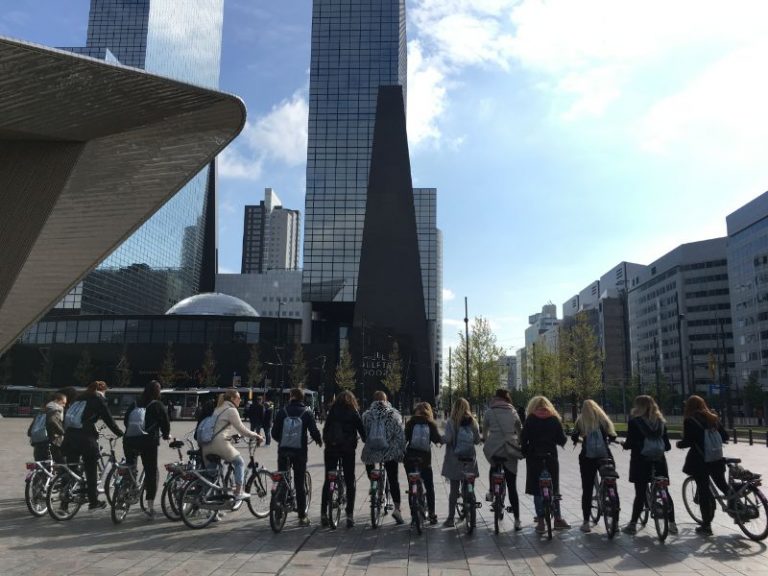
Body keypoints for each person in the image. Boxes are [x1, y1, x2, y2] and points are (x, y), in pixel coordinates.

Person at [61, 381, 124, 510]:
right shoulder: (98, 399)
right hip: (85, 439)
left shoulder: (79, 399)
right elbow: (108, 419)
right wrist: (120, 433)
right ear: (102, 391)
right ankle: (93, 501)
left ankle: (64, 503)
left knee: (71, 470)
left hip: (69, 437)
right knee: (91, 469)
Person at [621, 395, 678, 535]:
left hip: (641, 461)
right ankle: (672, 524)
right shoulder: (661, 422)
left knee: (640, 493)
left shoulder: (635, 422)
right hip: (659, 461)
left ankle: (633, 525)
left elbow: (630, 443)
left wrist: (625, 444)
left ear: (638, 407)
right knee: (665, 490)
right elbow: (667, 446)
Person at [676, 394, 729, 536]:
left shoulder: (690, 420)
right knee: (723, 485)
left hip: (700, 461)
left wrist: (679, 444)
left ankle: (706, 525)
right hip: (716, 459)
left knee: (703, 490)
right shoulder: (713, 418)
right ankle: (738, 508)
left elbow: (688, 441)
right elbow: (725, 437)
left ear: (688, 407)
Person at [272, 388, 322, 526]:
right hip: (300, 452)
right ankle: (302, 516)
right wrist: (319, 440)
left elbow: (274, 433)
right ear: (302, 398)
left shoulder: (282, 411)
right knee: (299, 483)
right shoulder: (307, 412)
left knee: (282, 479)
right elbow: (313, 431)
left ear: (290, 396)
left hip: (283, 451)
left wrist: (283, 441)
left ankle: (278, 512)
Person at [201, 389, 263, 501]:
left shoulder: (218, 408)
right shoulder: (231, 410)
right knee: (239, 462)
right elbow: (242, 429)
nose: (240, 400)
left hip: (206, 445)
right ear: (232, 399)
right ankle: (238, 492)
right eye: (239, 398)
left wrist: (230, 437)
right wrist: (256, 436)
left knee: (211, 475)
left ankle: (206, 499)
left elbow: (218, 428)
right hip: (219, 444)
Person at [521, 395, 571, 532]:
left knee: (537, 489)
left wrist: (524, 452)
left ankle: (541, 522)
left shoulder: (530, 419)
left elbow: (523, 439)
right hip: (550, 457)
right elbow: (562, 440)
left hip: (534, 458)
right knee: (554, 487)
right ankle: (558, 519)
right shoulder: (554, 419)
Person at [123, 381, 171, 519]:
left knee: (130, 466)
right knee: (151, 472)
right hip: (148, 442)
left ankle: (125, 490)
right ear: (157, 392)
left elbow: (126, 421)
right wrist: (166, 435)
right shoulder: (157, 405)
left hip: (129, 440)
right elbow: (165, 423)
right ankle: (150, 507)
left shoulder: (135, 403)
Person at [570, 399, 617, 533]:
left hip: (587, 458)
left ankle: (586, 522)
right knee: (611, 483)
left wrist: (579, 440)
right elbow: (612, 435)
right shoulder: (603, 419)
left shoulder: (581, 421)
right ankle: (616, 522)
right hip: (604, 456)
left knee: (587, 489)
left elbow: (574, 436)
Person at [321, 390, 366, 528]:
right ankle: (349, 515)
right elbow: (362, 431)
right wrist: (365, 439)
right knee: (350, 480)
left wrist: (328, 442)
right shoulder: (353, 412)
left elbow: (326, 429)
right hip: (347, 450)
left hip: (332, 449)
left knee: (328, 479)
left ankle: (323, 513)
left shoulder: (332, 411)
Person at [361, 390, 407, 524]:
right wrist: (402, 450)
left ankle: (374, 483)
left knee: (370, 466)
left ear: (374, 401)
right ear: (386, 401)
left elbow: (364, 434)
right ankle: (397, 509)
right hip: (389, 452)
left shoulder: (367, 415)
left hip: (371, 452)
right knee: (393, 479)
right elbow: (400, 435)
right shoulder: (394, 414)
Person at [482, 389, 523, 530]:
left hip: (494, 447)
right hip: (510, 449)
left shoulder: (489, 411)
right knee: (512, 486)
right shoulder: (513, 411)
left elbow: (484, 429)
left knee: (493, 465)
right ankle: (517, 520)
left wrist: (486, 440)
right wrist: (519, 442)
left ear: (495, 398)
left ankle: (491, 491)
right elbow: (519, 429)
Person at [441, 397, 480, 527]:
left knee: (453, 490)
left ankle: (450, 519)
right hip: (469, 461)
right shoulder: (473, 421)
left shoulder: (451, 422)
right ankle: (472, 515)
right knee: (470, 487)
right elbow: (477, 441)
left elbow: (448, 439)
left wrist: (440, 439)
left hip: (455, 460)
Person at [404, 401, 442, 524]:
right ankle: (432, 514)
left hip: (410, 459)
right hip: (424, 460)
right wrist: (441, 441)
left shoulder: (410, 423)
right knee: (429, 486)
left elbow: (404, 439)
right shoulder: (430, 423)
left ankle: (413, 514)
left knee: (412, 485)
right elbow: (437, 439)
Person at [28, 392, 67, 463]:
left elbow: (30, 430)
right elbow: (52, 421)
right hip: (51, 442)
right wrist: (62, 432)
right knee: (62, 464)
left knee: (41, 465)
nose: (64, 405)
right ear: (56, 400)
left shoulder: (41, 411)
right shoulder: (55, 409)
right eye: (63, 403)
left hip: (38, 443)